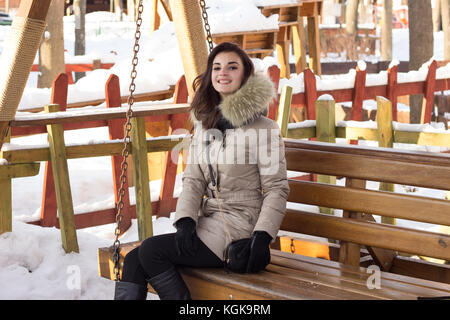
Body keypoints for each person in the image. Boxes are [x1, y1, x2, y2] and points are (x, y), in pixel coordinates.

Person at [114, 42, 290, 300]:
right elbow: (194, 180)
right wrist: (185, 221)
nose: (223, 73)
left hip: (240, 225)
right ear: (210, 75)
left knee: (152, 251)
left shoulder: (264, 129)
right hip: (209, 222)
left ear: (245, 75)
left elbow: (277, 188)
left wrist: (262, 237)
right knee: (133, 261)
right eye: (217, 67)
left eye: (232, 67)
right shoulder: (205, 126)